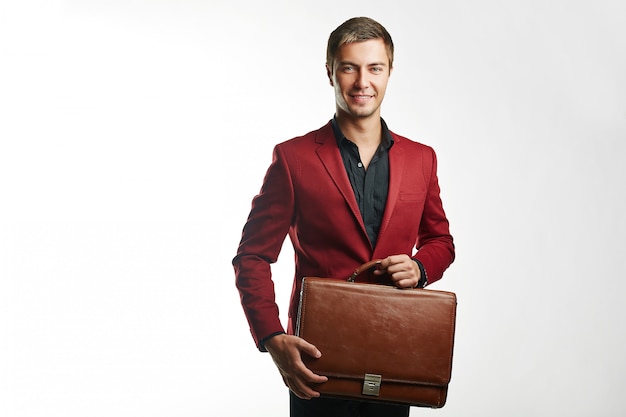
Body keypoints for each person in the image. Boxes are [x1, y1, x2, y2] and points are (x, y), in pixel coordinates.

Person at [232, 16, 455, 417]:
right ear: (330, 72)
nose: (362, 82)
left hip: (394, 347)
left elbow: (441, 241)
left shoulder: (422, 159)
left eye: (374, 68)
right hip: (316, 358)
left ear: (389, 72)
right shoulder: (294, 158)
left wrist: (421, 267)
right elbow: (252, 256)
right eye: (349, 67)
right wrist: (271, 337)